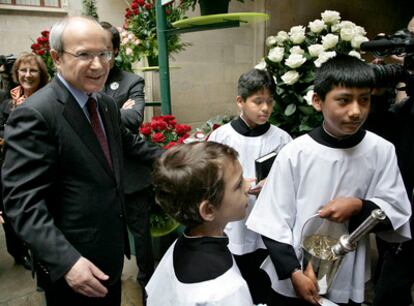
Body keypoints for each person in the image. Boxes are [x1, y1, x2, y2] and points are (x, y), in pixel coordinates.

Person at [1, 16, 162, 306]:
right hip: (74, 268)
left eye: (104, 54)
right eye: (84, 55)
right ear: (56, 58)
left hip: (109, 253)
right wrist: (67, 261)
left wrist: (185, 156)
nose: (99, 65)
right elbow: (21, 201)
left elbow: (130, 144)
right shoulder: (36, 113)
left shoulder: (104, 104)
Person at [246, 54, 412, 306]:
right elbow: (272, 219)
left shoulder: (381, 150)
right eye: (344, 101)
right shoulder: (296, 152)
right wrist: (293, 272)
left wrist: (359, 206)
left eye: (364, 100)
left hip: (347, 266)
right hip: (294, 268)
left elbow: (396, 208)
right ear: (317, 101)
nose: (356, 111)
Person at [208, 68, 291, 303]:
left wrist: (273, 184)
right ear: (240, 102)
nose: (265, 108)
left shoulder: (283, 139)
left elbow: (290, 181)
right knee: (235, 279)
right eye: (257, 102)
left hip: (267, 224)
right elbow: (209, 179)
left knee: (263, 279)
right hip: (234, 224)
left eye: (269, 101)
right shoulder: (221, 137)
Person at [146, 141, 253, 306]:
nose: (248, 185)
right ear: (209, 210)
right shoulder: (227, 290)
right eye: (238, 185)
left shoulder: (178, 247)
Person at [100, 21, 155, 293]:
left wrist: (94, 113)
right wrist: (115, 109)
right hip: (98, 179)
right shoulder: (83, 80)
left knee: (142, 240)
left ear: (116, 51)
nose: (99, 59)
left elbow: (133, 119)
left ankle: (147, 287)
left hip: (132, 177)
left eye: (106, 51)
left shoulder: (131, 80)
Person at [0, 52, 49, 271]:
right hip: (11, 165)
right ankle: (18, 253)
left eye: (33, 70)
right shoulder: (6, 102)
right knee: (11, 214)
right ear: (16, 73)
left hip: (40, 166)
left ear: (41, 74)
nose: (27, 75)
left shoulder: (47, 98)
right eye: (23, 70)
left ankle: (42, 254)